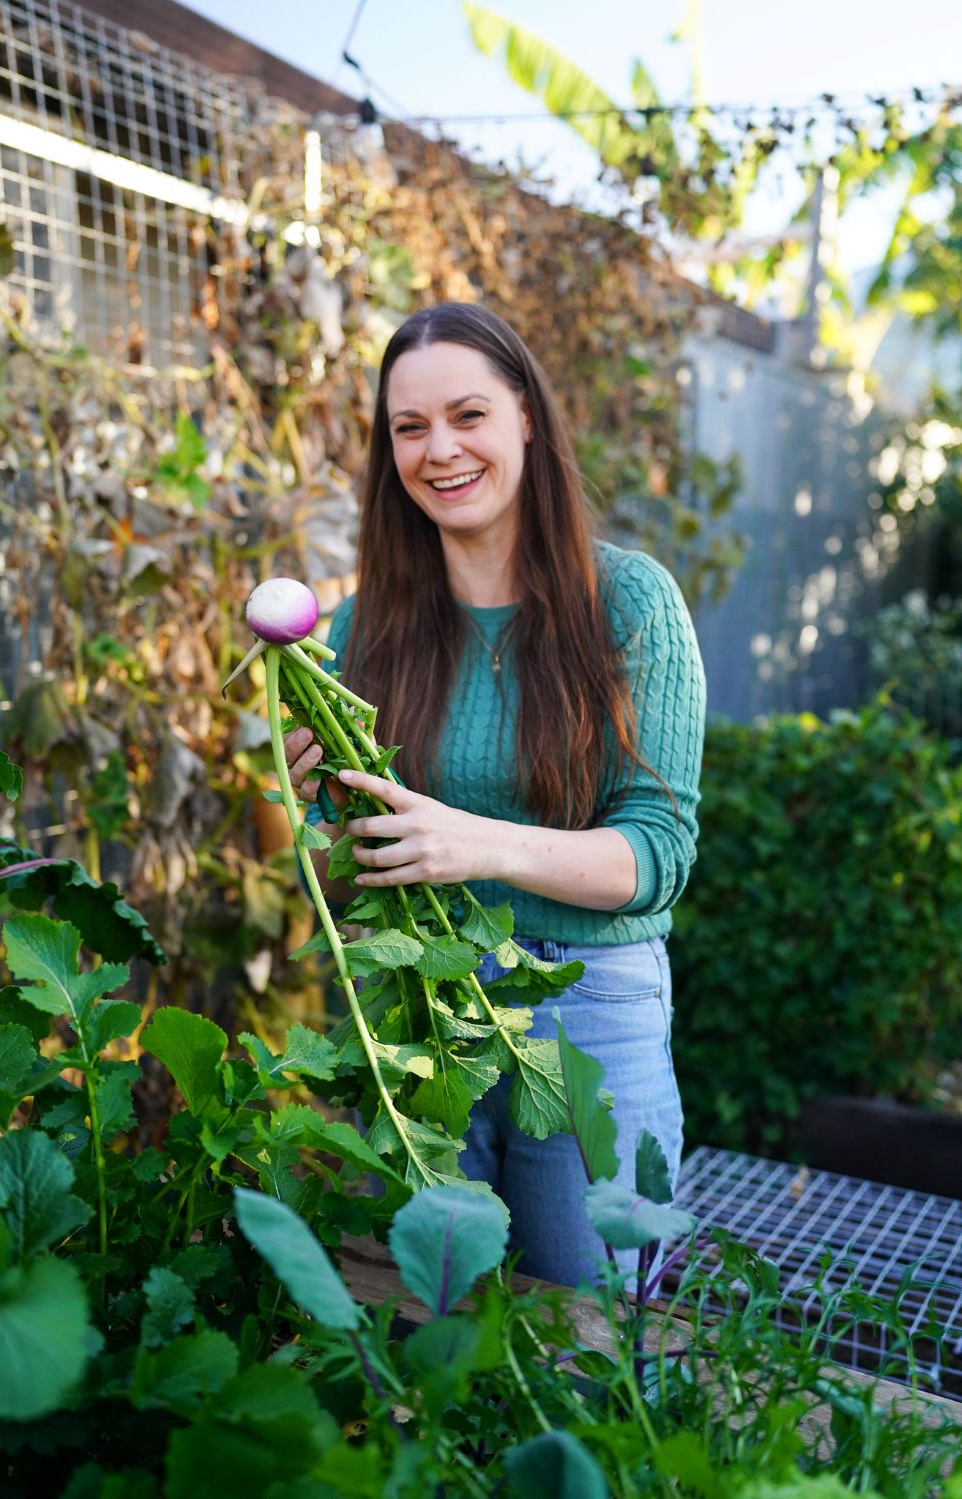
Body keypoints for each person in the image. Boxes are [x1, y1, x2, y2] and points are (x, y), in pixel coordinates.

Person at [285, 301, 706, 1286]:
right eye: (409, 427)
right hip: (418, 1007)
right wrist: (309, 800)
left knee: (591, 1332)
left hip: (587, 1008)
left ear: (525, 415)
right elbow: (333, 875)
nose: (440, 449)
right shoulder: (359, 630)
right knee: (427, 1322)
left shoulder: (629, 604)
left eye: (466, 414)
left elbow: (655, 858)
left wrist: (475, 844)